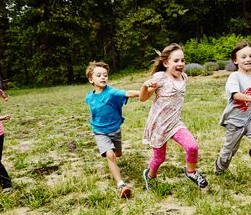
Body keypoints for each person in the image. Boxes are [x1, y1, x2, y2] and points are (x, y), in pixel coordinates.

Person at [140, 43, 208, 190]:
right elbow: (143, 98)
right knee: (159, 158)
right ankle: (150, 175)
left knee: (192, 146)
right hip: (159, 125)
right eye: (176, 61)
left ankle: (191, 172)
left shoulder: (184, 77)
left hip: (175, 123)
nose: (180, 64)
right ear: (166, 63)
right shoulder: (160, 78)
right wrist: (145, 86)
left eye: (182, 60)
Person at [215, 40, 251, 173]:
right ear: (235, 60)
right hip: (235, 121)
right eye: (243, 57)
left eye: (250, 56)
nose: (248, 59)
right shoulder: (234, 77)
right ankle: (220, 168)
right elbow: (236, 95)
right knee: (230, 150)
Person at [85, 61, 140, 198]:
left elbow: (128, 93)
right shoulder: (89, 97)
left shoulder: (112, 92)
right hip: (99, 131)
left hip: (115, 130)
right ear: (91, 79)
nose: (103, 77)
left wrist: (144, 91)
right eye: (99, 75)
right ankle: (121, 184)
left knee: (118, 153)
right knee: (110, 155)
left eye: (105, 75)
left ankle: (117, 152)